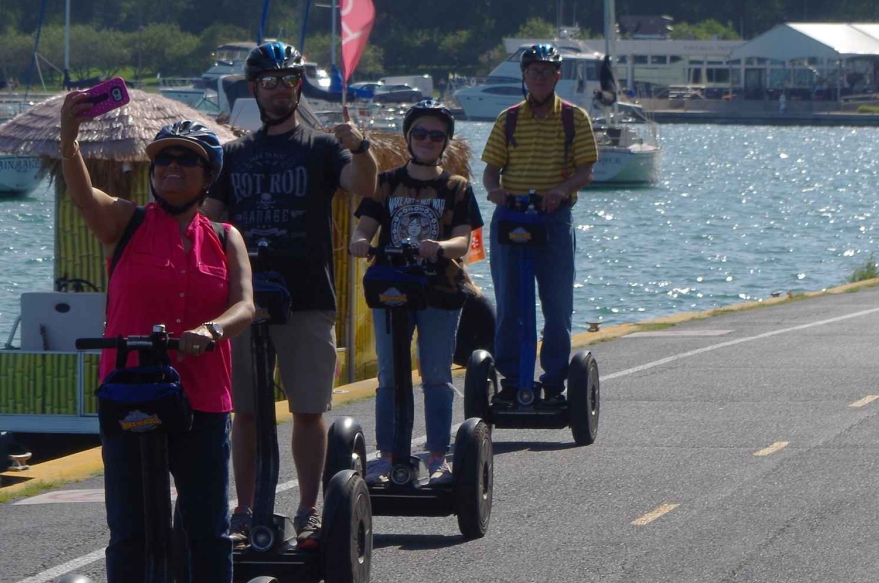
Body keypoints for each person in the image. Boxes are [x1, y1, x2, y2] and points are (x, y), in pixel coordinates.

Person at [59, 96, 255, 583]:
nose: (171, 169)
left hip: (200, 398)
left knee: (204, 525)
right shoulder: (127, 222)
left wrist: (211, 329)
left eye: (185, 162)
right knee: (132, 525)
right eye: (163, 160)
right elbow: (82, 193)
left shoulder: (223, 236)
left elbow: (246, 303)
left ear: (206, 176)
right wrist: (71, 138)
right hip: (129, 394)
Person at [203, 40, 378, 549]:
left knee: (307, 410)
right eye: (269, 82)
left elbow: (364, 186)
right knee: (246, 414)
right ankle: (244, 510)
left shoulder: (323, 148)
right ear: (254, 89)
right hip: (243, 303)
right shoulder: (233, 155)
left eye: (288, 81)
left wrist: (362, 146)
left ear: (298, 86)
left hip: (306, 297)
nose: (280, 90)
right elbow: (208, 222)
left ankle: (308, 510)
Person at [350, 100, 483, 484]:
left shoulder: (456, 188)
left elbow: (465, 241)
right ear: (409, 137)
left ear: (445, 143)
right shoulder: (386, 182)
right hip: (392, 287)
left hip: (440, 289)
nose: (427, 140)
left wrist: (439, 246)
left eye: (436, 135)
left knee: (436, 374)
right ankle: (386, 455)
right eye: (420, 133)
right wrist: (360, 242)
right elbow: (366, 226)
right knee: (390, 375)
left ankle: (439, 455)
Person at [480, 43, 597, 403]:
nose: (540, 78)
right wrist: (495, 191)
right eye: (534, 72)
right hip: (512, 215)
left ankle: (553, 380)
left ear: (558, 76)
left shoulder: (574, 118)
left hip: (554, 217)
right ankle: (513, 379)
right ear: (525, 77)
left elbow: (585, 170)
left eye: (547, 72)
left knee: (557, 305)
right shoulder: (509, 118)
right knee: (511, 304)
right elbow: (490, 170)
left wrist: (560, 190)